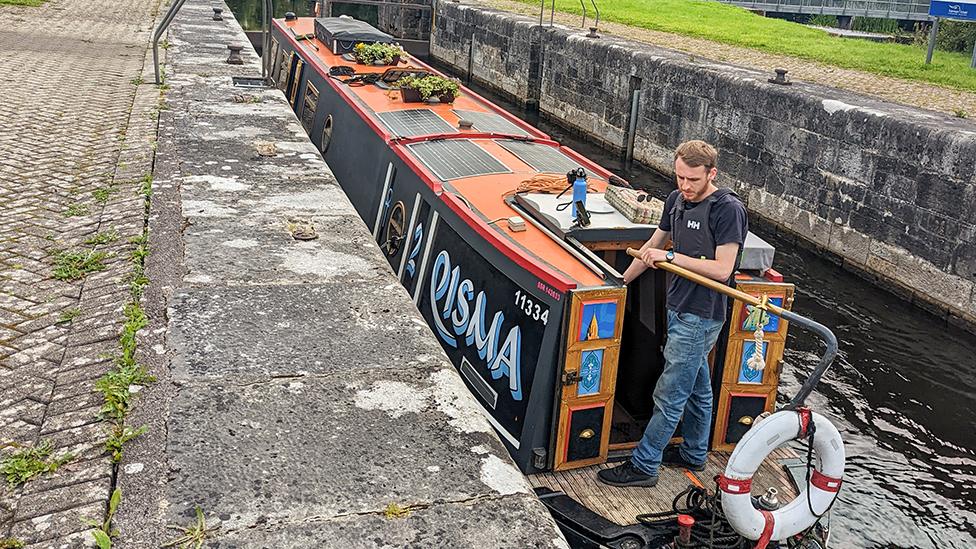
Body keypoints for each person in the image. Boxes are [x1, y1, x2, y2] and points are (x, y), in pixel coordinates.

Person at [598, 140, 748, 487]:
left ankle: (644, 465)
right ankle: (694, 454)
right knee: (697, 389)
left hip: (701, 313)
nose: (685, 186)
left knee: (670, 392)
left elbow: (723, 269)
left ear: (712, 174)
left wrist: (672, 259)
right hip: (678, 307)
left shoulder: (727, 209)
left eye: (693, 179)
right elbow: (653, 245)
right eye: (679, 177)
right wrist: (620, 283)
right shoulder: (676, 200)